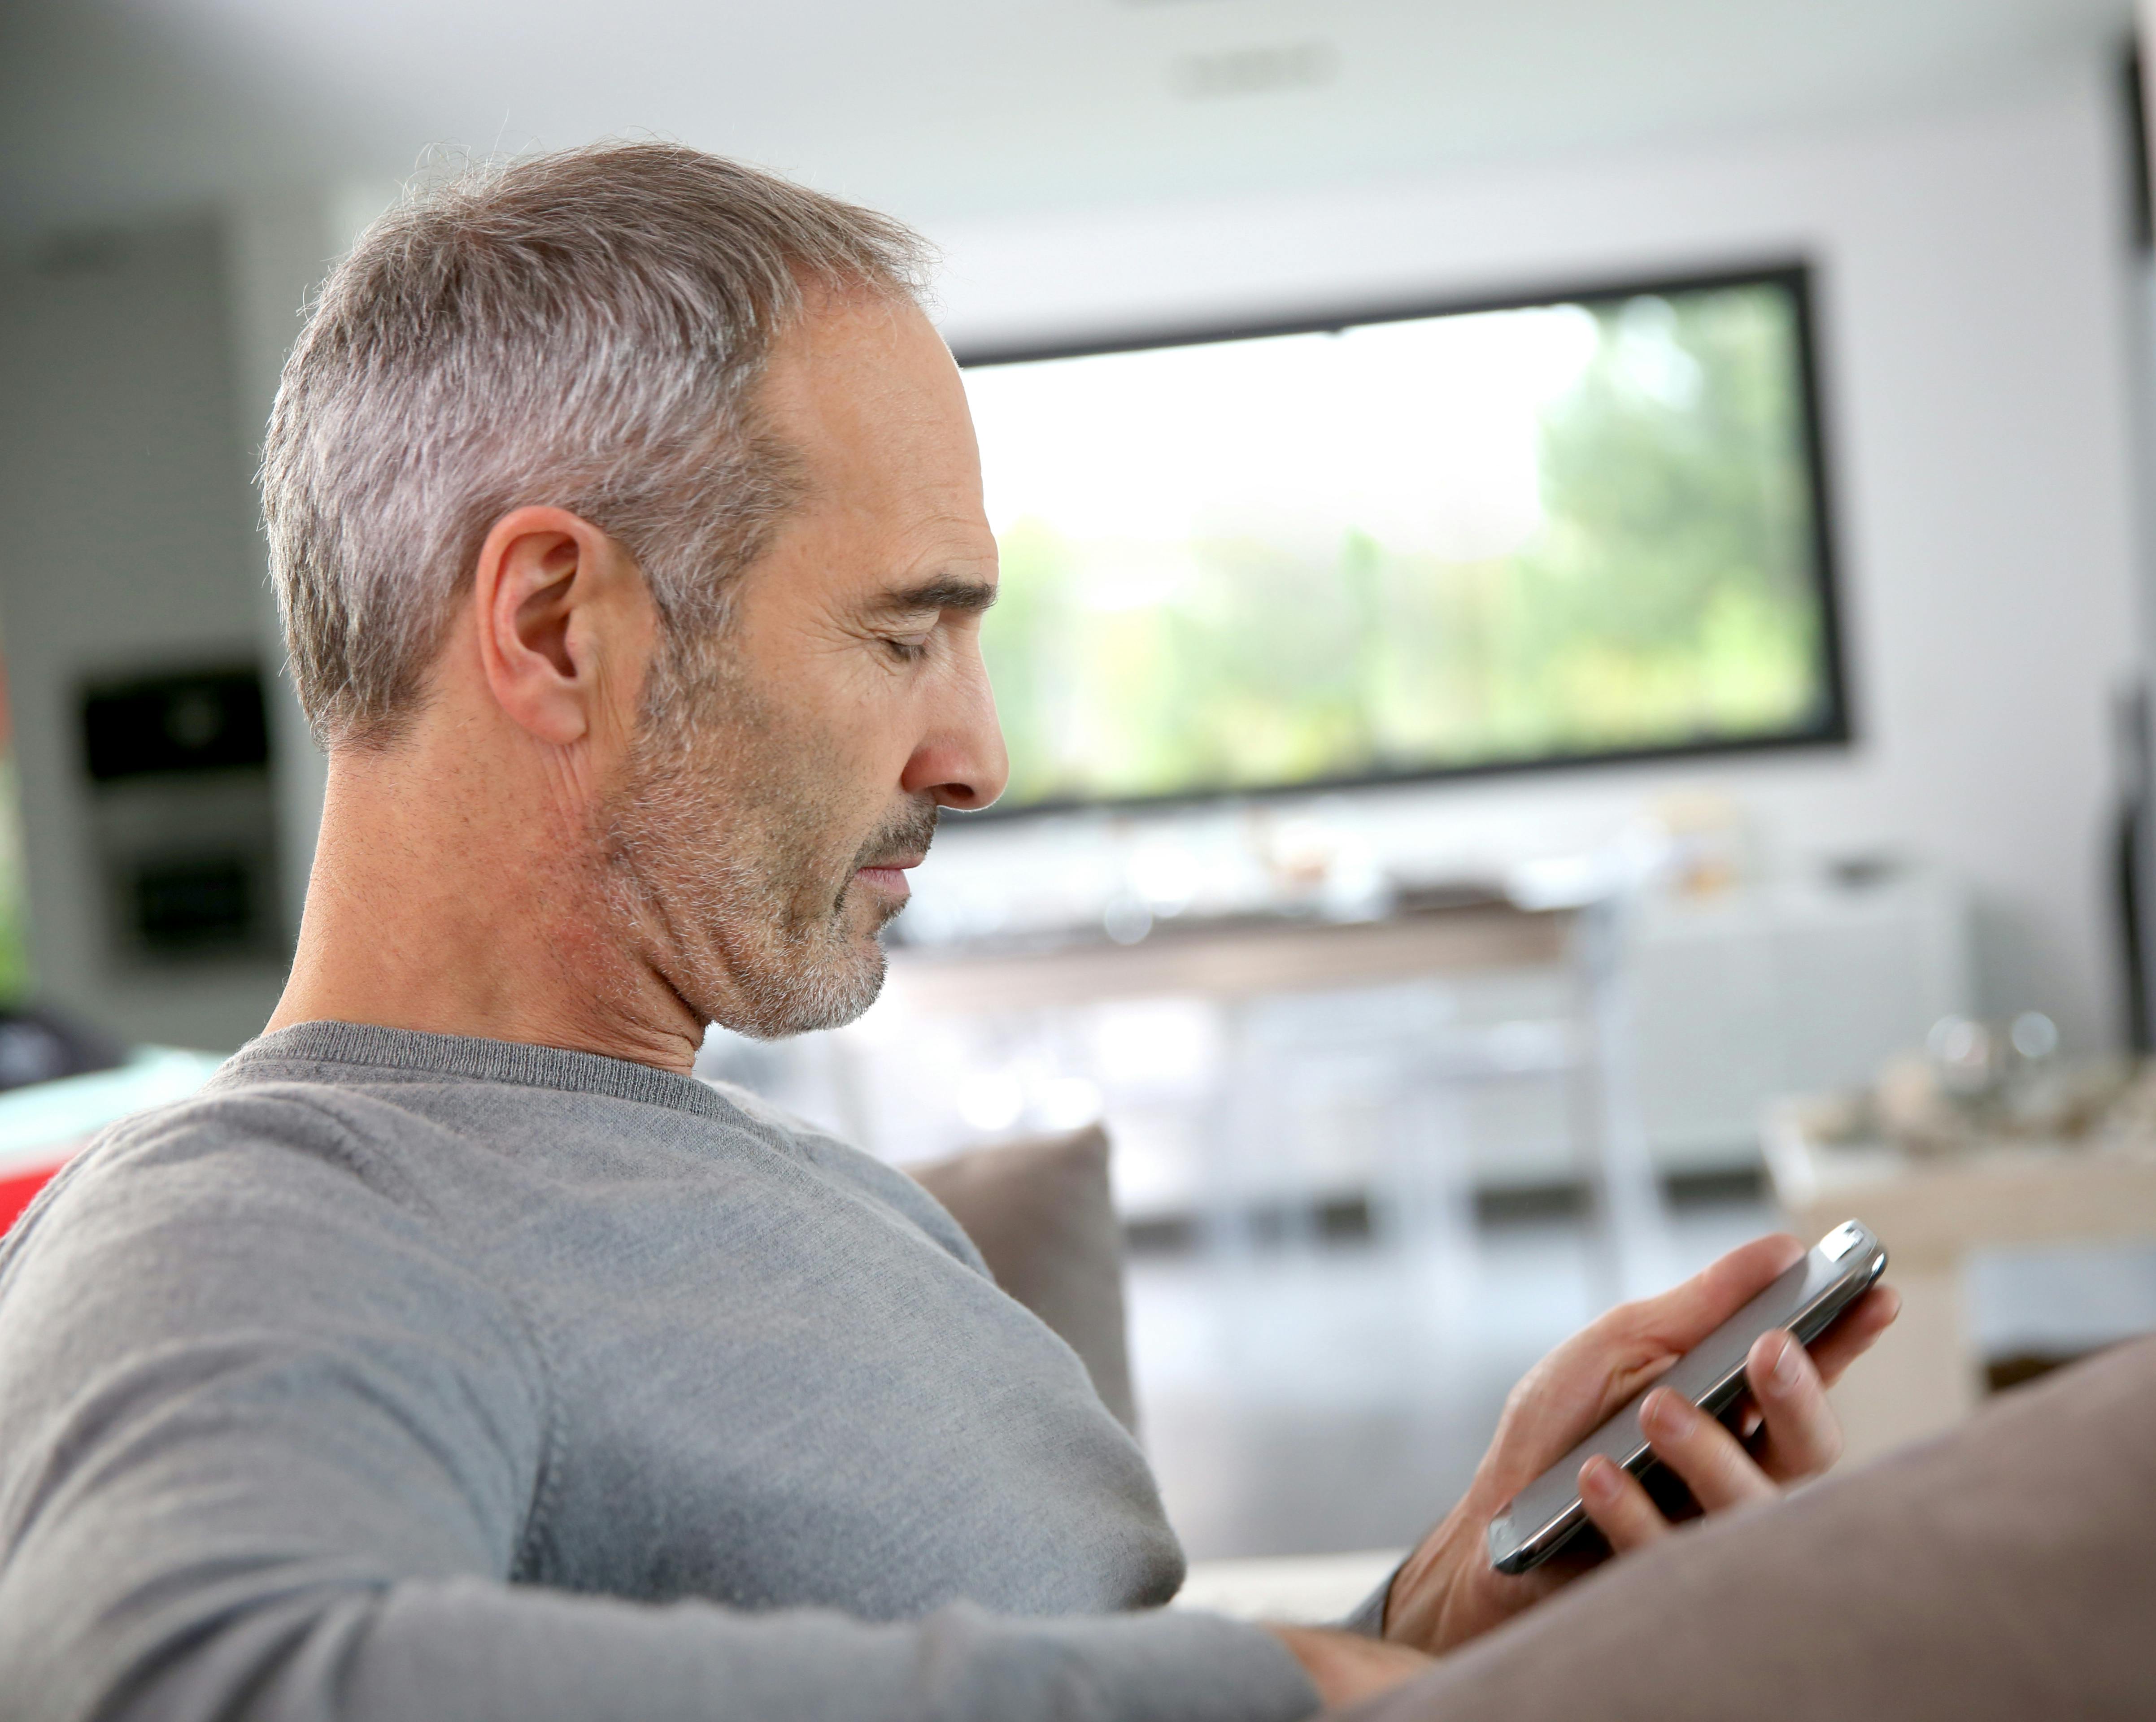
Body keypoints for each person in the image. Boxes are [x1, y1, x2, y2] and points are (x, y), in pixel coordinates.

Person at [0, 143, 1898, 1722]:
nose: (976, 756)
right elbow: (181, 1676)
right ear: (557, 627)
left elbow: (1101, 1666)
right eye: (906, 634)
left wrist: (1437, 1603)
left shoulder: (834, 1202)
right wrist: (1302, 1692)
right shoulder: (265, 1206)